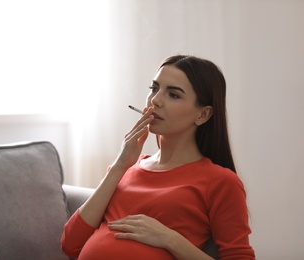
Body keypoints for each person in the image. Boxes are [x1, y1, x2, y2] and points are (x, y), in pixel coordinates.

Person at [61, 55, 255, 259]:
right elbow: (70, 244)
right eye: (154, 89)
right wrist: (120, 166)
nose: (155, 100)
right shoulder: (126, 168)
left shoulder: (221, 182)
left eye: (173, 94)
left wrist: (169, 239)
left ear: (203, 115)